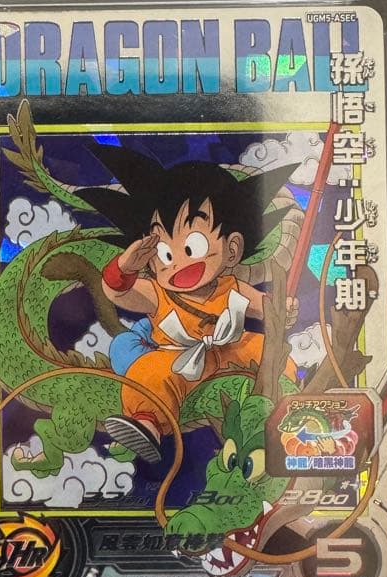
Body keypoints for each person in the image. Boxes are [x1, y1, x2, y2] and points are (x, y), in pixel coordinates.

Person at [79, 143, 299, 462]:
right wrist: (125, 267)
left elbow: (265, 306)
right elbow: (117, 292)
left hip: (232, 350)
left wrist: (282, 310)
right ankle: (146, 425)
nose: (179, 263)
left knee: (273, 353)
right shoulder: (158, 293)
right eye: (165, 254)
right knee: (148, 373)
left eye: (193, 246)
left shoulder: (232, 287)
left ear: (232, 249)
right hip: (178, 359)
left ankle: (282, 413)